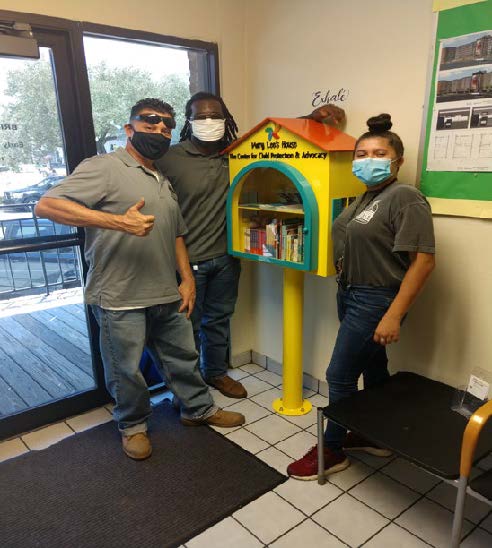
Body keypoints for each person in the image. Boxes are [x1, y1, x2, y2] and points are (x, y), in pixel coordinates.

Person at [35, 98, 245, 461]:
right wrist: (118, 222)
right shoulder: (105, 167)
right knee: (125, 368)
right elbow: (47, 205)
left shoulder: (161, 175)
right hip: (119, 294)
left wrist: (187, 279)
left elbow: (177, 231)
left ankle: (197, 409)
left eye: (166, 125)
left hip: (165, 289)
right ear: (129, 128)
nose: (159, 130)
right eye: (150, 122)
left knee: (182, 355)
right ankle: (133, 426)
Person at [157, 92, 345, 399]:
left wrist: (309, 119)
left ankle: (216, 373)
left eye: (215, 116)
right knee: (184, 330)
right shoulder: (170, 158)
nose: (209, 122)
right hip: (186, 264)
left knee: (218, 321)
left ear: (226, 120)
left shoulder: (237, 153)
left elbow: (271, 139)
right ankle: (188, 392)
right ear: (189, 122)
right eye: (201, 117)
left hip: (228, 258)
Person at [287, 113, 436, 480]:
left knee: (338, 375)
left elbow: (424, 263)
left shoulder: (405, 197)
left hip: (377, 299)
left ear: (396, 160)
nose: (367, 159)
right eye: (361, 153)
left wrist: (392, 315)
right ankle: (375, 434)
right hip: (352, 294)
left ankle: (333, 447)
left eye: (378, 153)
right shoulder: (367, 197)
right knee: (373, 366)